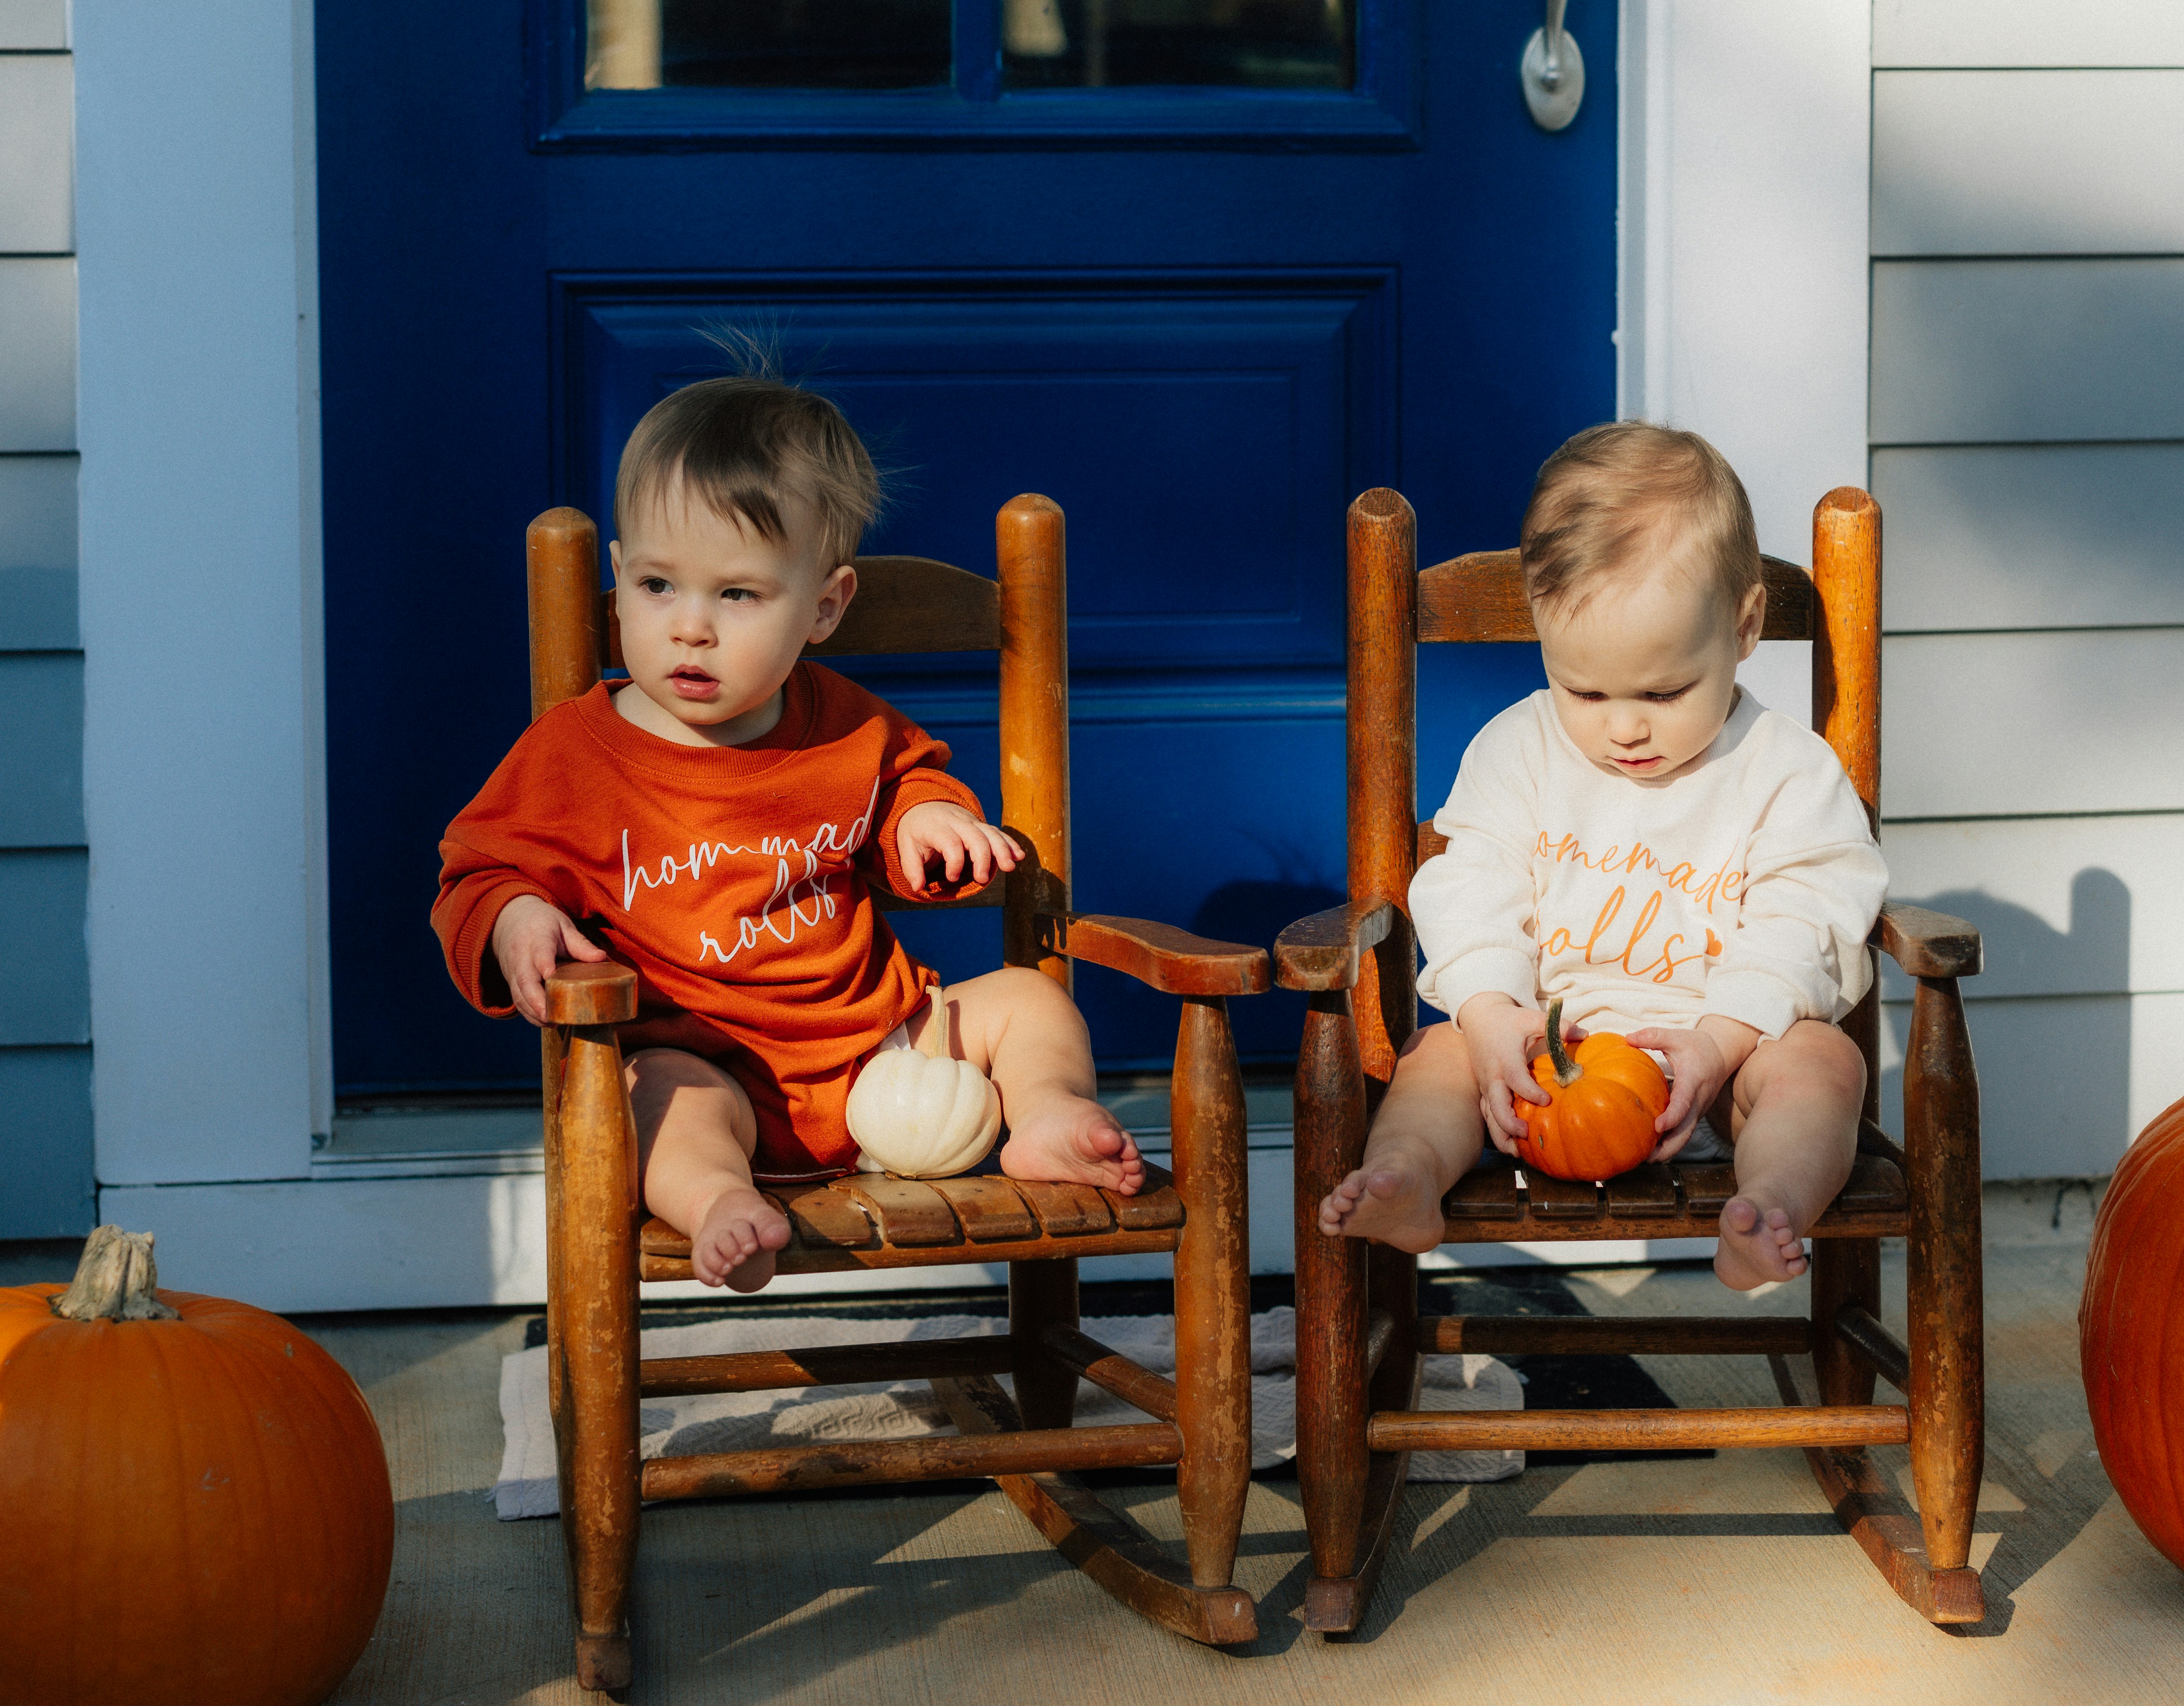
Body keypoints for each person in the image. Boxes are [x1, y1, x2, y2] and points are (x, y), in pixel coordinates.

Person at [434, 376, 1148, 1290]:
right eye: (656, 584)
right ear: (617, 575)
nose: (689, 627)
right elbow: (478, 868)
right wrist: (514, 914)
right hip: (707, 1062)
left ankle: (1048, 1116)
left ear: (823, 606)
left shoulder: (844, 723)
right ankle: (719, 1204)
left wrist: (932, 815)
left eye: (736, 594)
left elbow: (906, 776)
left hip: (883, 1048)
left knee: (1030, 999)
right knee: (653, 1099)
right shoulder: (574, 753)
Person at [1317, 421, 1886, 1291]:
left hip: (1724, 1071)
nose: (1623, 727)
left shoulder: (1784, 770)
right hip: (1539, 1063)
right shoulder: (1518, 752)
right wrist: (1488, 1014)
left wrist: (1722, 1040)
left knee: (1825, 1064)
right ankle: (1409, 1180)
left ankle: (1764, 1207)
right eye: (1583, 689)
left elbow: (1811, 913)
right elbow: (1472, 886)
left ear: (1744, 629)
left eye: (1664, 692)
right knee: (1435, 1060)